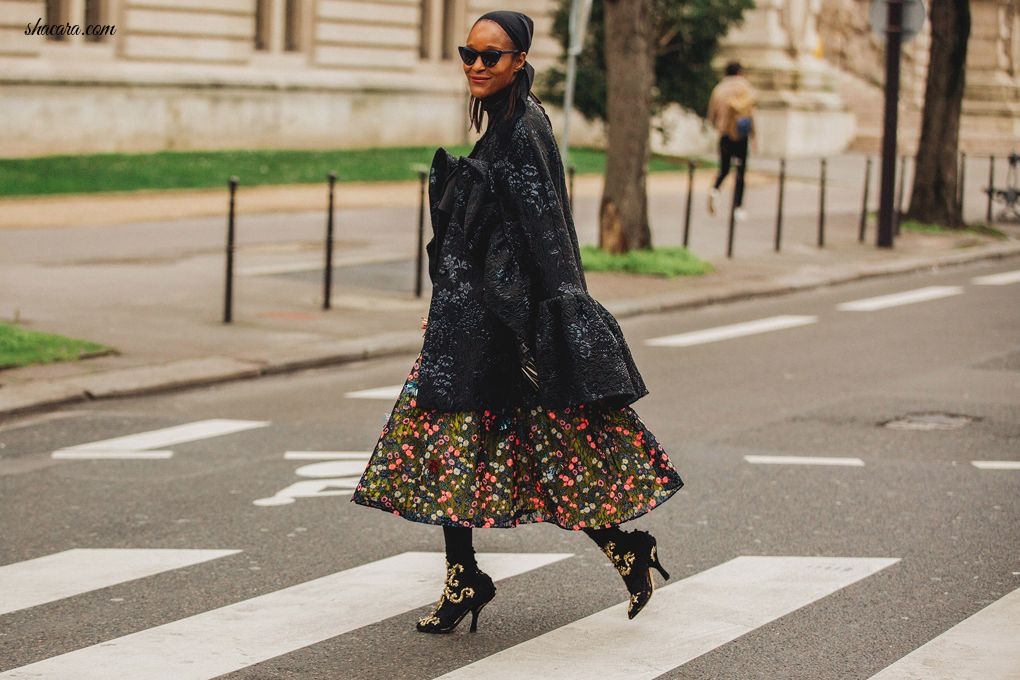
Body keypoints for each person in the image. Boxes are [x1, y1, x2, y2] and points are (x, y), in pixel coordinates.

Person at [352, 10, 683, 633]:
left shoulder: (524, 133)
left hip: (506, 333)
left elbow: (549, 236)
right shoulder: (503, 127)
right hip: (465, 331)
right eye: (468, 54)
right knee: (459, 453)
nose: (477, 65)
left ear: (519, 63)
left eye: (492, 57)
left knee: (548, 450)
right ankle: (466, 578)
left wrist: (561, 326)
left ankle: (620, 548)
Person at [707, 61, 756, 221]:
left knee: (725, 168)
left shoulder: (719, 89)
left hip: (725, 134)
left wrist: (719, 125)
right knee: (740, 173)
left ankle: (715, 189)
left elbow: (712, 115)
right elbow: (751, 113)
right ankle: (738, 207)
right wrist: (754, 136)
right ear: (740, 72)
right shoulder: (746, 87)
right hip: (741, 135)